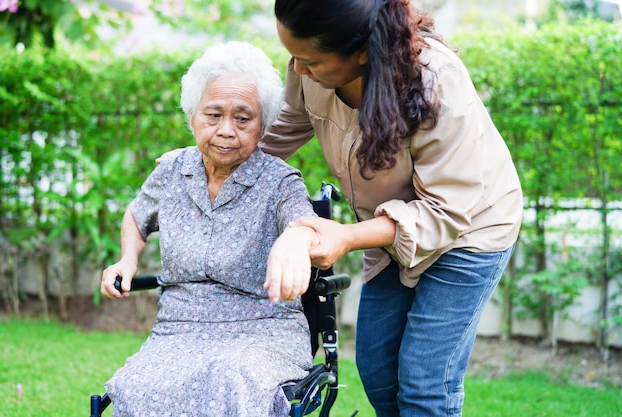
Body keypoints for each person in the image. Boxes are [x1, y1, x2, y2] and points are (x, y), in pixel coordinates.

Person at [258, 1, 524, 416]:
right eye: (293, 56)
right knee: (378, 371)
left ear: (363, 51)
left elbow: (447, 210)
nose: (298, 70)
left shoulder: (436, 81)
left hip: (470, 230)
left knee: (423, 383)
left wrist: (346, 237)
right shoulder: (309, 71)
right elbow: (284, 129)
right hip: (393, 233)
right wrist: (210, 159)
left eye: (310, 60)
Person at [100, 41, 321, 417]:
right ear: (192, 118)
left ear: (263, 125)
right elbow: (137, 218)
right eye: (213, 115)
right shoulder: (171, 172)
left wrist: (299, 240)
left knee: (231, 378)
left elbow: (306, 225)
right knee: (137, 385)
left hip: (262, 329)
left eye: (242, 118)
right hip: (180, 328)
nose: (226, 131)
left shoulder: (280, 182)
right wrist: (127, 259)